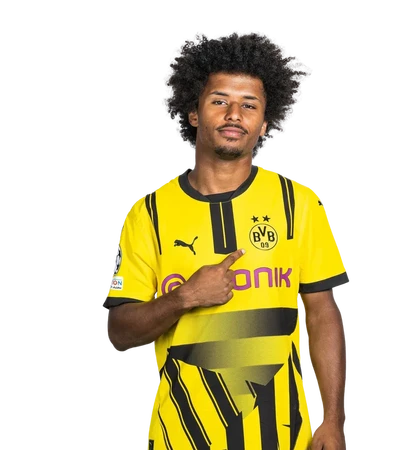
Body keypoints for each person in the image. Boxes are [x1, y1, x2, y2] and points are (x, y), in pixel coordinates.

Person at [104, 30, 350, 450]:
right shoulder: (147, 214)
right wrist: (184, 297)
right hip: (180, 437)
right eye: (220, 101)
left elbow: (322, 314)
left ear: (264, 123)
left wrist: (332, 420)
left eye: (249, 105)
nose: (234, 114)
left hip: (283, 436)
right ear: (193, 113)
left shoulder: (299, 204)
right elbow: (120, 331)